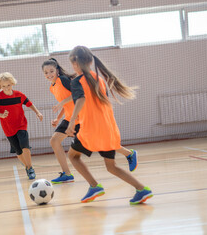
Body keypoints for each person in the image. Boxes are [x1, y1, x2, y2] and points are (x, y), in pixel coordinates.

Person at [65, 46, 152, 204]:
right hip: (108, 129)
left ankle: (94, 186)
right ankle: (142, 189)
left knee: (72, 156)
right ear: (91, 61)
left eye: (72, 64)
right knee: (111, 167)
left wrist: (71, 121)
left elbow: (81, 100)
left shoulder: (77, 81)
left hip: (90, 131)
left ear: (75, 64)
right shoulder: (99, 79)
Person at [42, 58, 139, 184]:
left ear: (57, 70)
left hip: (80, 118)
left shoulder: (63, 80)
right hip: (69, 118)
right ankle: (67, 174)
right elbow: (67, 104)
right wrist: (58, 118)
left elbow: (77, 95)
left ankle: (129, 154)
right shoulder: (52, 87)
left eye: (51, 71)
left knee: (101, 144)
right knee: (54, 141)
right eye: (46, 72)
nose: (49, 74)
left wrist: (61, 103)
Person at [0, 72, 43, 180]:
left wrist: (37, 112)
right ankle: (27, 167)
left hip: (21, 125)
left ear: (12, 83)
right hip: (8, 129)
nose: (6, 88)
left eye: (8, 85)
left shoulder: (19, 95)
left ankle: (30, 168)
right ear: (0, 86)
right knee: (18, 151)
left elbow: (29, 104)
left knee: (25, 145)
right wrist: (1, 115)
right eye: (3, 86)